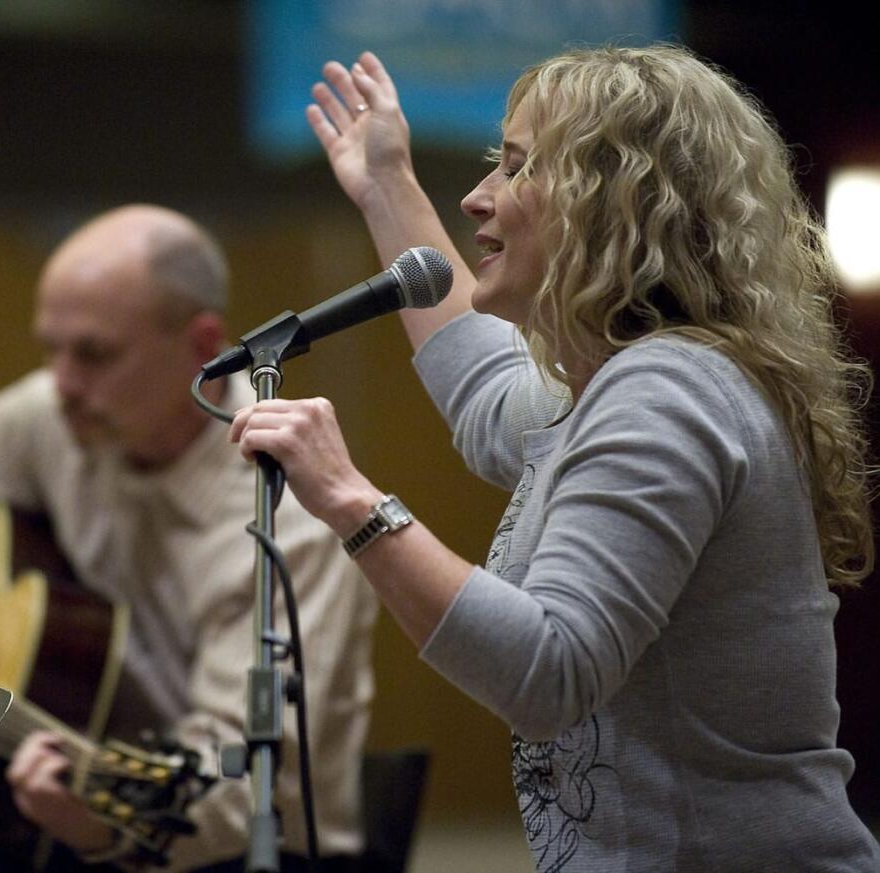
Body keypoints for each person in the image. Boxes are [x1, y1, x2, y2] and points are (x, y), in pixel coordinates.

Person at [231, 45, 880, 870]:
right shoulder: (634, 378)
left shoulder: (666, 390)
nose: (476, 198)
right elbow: (485, 396)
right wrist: (385, 183)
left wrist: (348, 498)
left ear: (615, 202)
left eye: (517, 168)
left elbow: (549, 671)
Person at [0, 204, 378, 873]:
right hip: (72, 810)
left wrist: (94, 822)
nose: (60, 381)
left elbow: (242, 791)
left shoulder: (290, 518)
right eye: (50, 348)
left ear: (203, 345)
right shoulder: (58, 415)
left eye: (93, 353)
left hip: (248, 847)